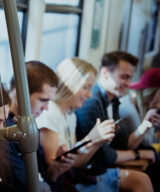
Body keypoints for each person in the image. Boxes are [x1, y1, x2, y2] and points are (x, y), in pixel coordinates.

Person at [75, 51, 153, 191]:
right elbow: (103, 156)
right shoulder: (91, 102)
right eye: (124, 77)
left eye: (130, 78)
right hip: (88, 172)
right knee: (144, 179)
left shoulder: (114, 101)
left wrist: (146, 125)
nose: (128, 83)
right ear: (105, 72)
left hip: (101, 166)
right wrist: (139, 155)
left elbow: (124, 142)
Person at [37, 58, 117, 191]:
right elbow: (56, 170)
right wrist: (91, 139)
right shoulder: (49, 114)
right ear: (69, 84)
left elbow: (77, 163)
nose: (90, 95)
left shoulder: (70, 116)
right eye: (85, 87)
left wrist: (97, 141)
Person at [7, 60, 76, 191]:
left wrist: (56, 167)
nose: (46, 108)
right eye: (43, 100)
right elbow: (26, 185)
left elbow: (44, 177)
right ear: (20, 94)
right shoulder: (6, 131)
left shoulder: (30, 126)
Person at [119, 68, 160, 191]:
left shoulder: (143, 106)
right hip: (131, 158)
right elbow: (143, 142)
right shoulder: (128, 111)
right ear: (153, 94)